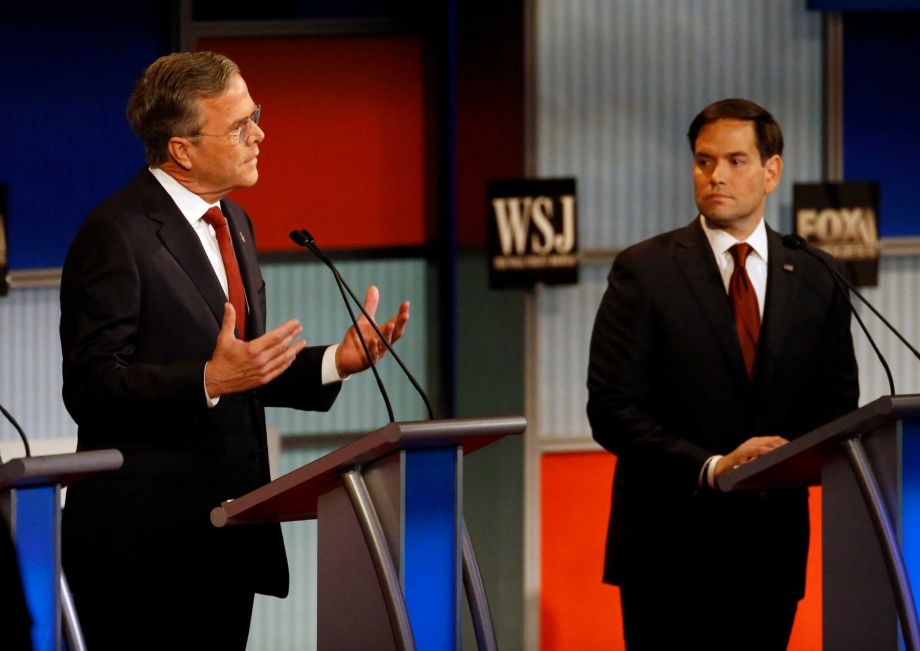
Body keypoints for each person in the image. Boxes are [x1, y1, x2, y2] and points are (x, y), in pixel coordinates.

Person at [59, 51, 410, 650]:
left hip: (228, 537)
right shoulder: (116, 235)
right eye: (240, 125)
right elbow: (90, 387)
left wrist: (335, 363)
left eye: (257, 115)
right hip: (144, 554)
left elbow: (243, 366)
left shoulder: (235, 221)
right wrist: (207, 381)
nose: (260, 134)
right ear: (182, 150)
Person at [587, 98, 859, 650]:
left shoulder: (814, 272)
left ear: (771, 171)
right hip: (668, 552)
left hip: (771, 549)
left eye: (735, 161)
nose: (716, 176)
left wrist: (791, 456)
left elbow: (837, 403)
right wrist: (711, 468)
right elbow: (611, 410)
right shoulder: (645, 271)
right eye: (704, 161)